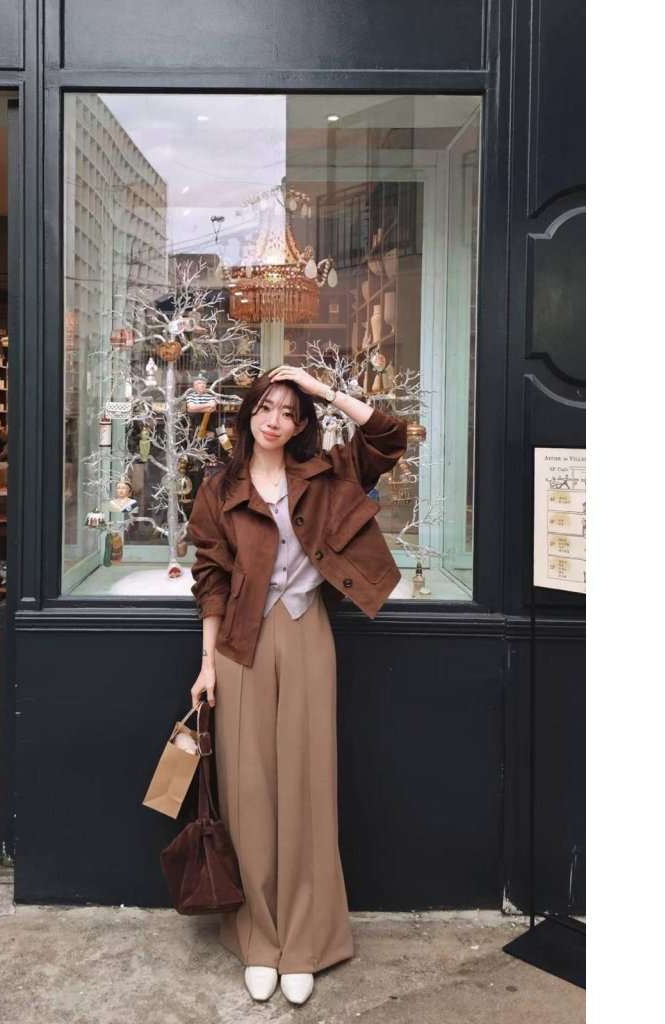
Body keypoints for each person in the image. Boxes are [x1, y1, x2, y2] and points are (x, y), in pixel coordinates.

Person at [186, 365, 407, 1007]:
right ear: (248, 415)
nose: (274, 420)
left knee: (308, 786)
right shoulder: (219, 488)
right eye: (265, 407)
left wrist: (323, 388)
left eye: (288, 410)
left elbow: (389, 437)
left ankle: (305, 942)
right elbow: (211, 579)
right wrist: (207, 664)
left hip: (308, 632)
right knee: (249, 789)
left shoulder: (327, 474)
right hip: (240, 644)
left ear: (302, 421)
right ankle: (260, 938)